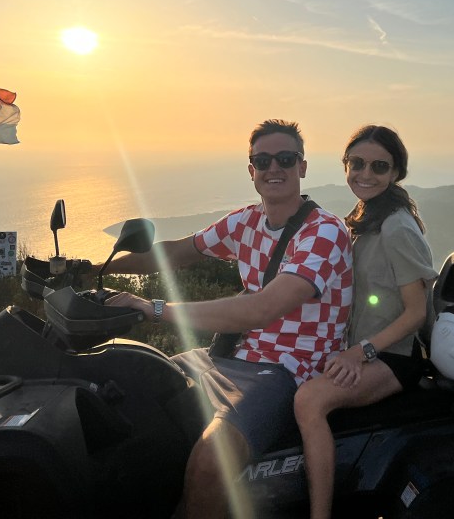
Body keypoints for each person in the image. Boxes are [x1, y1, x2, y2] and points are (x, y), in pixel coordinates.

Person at [103, 119, 354, 519]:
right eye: (263, 160)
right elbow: (179, 252)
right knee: (135, 393)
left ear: (302, 167)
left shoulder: (324, 232)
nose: (274, 168)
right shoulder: (246, 222)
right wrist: (95, 268)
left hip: (287, 370)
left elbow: (262, 309)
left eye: (285, 158)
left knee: (210, 460)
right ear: (251, 170)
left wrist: (153, 308)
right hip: (228, 357)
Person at [292, 124, 435, 519]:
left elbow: (416, 312)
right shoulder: (363, 216)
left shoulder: (396, 227)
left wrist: (361, 352)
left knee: (310, 400)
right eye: (357, 163)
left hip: (394, 356)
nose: (365, 174)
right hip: (360, 347)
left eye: (379, 166)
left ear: (395, 173)